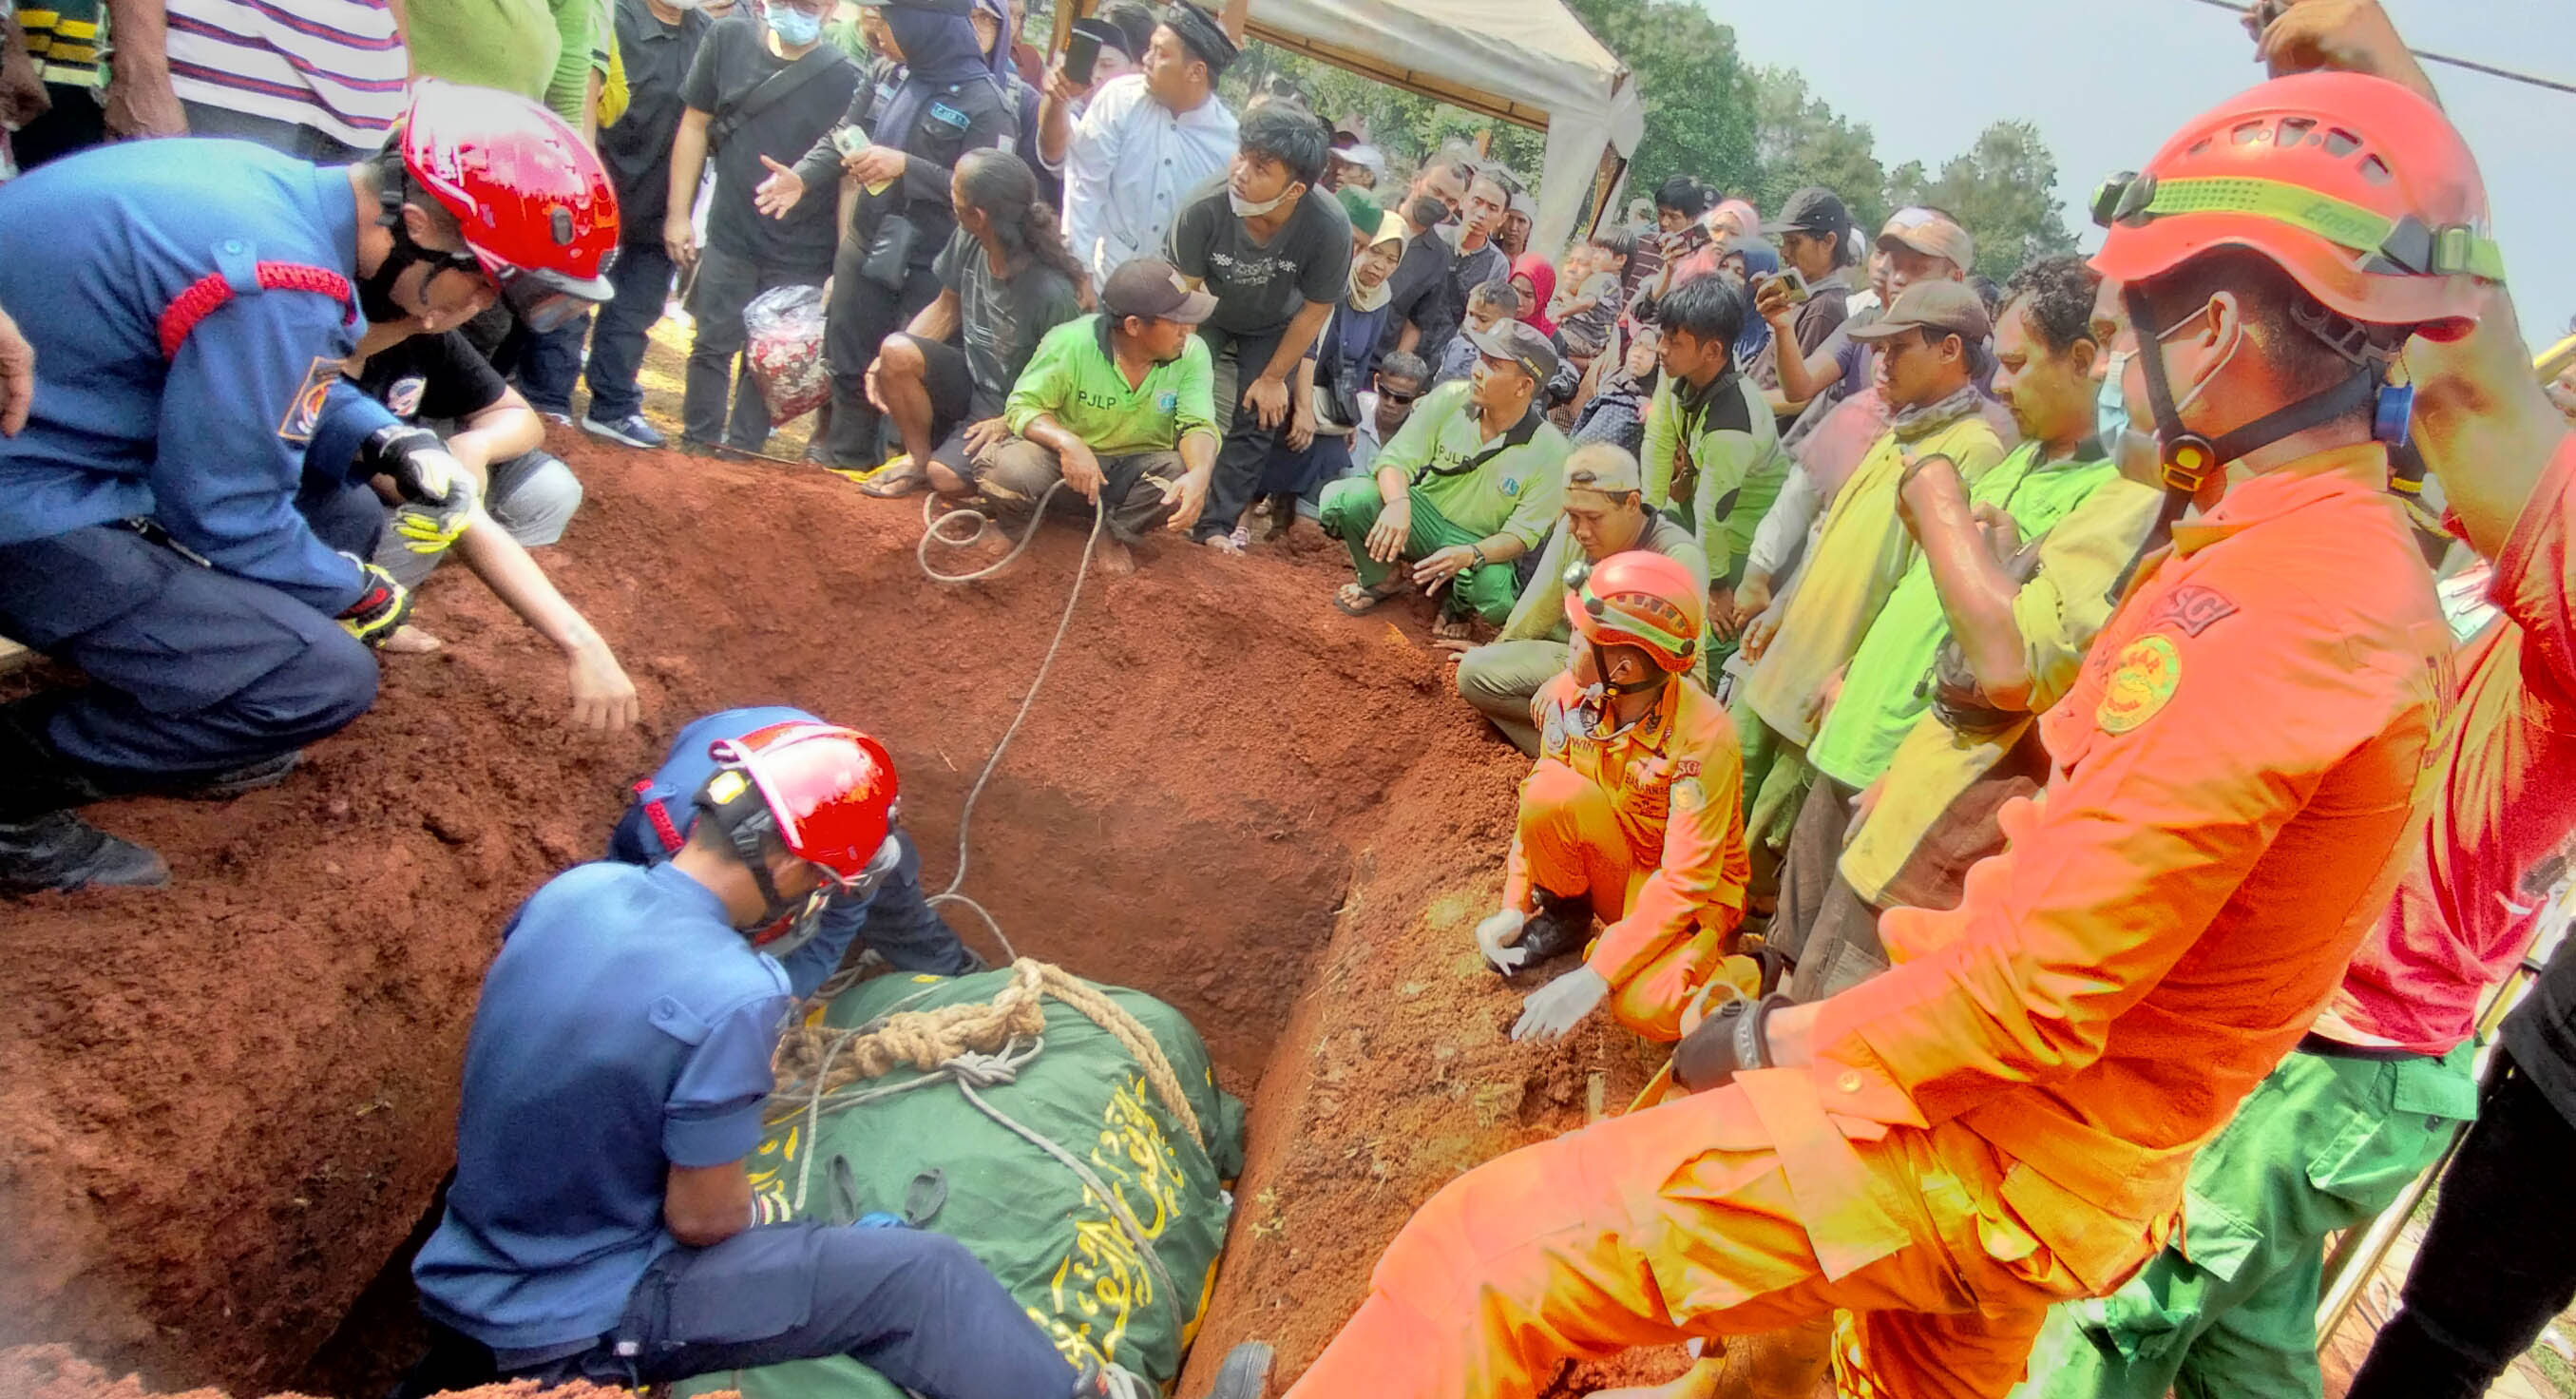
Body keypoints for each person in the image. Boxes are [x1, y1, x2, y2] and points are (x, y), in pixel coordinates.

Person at [1269, 68, 2480, 1399]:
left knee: (1484, 1257)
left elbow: (2031, 990)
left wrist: (1781, 1042)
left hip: (1983, 1150)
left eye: (2123, 326)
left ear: (2201, 333)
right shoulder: (2327, 578)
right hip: (2042, 1162)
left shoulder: (2278, 610)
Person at [0, 81, 619, 894]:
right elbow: (225, 511)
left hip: (58, 443)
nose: (476, 310)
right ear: (422, 224)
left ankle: (181, 687)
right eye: (485, 283)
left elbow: (261, 385)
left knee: (347, 508)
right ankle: (12, 795)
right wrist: (364, 598)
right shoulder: (285, 277)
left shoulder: (279, 194)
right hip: (30, 494)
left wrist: (381, 437)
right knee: (321, 678)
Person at [400, 720, 1129, 1399]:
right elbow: (702, 1223)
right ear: (783, 862)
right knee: (916, 1277)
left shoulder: (577, 890)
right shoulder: (740, 992)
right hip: (581, 1311)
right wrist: (773, 1219)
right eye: (819, 880)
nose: (815, 898)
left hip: (468, 1265)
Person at [1776, 256, 2157, 1002]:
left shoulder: (2116, 497)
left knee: (1831, 985)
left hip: (1902, 767)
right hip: (1858, 724)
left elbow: (2017, 666)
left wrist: (1903, 768)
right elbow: (1925, 589)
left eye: (2015, 362)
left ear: (2084, 360)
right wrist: (1853, 667)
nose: (2001, 382)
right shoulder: (2019, 459)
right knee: (1793, 946)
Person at [1731, 279, 2006, 899]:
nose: (1879, 364)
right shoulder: (1898, 431)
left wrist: (1849, 673)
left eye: (1897, 348)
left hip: (1823, 698)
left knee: (1760, 860)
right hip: (1783, 665)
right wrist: (1781, 607)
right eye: (1876, 350)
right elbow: (1831, 537)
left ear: (1950, 351)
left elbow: (1928, 598)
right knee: (1719, 813)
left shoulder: (1972, 450)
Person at [1475, 549, 1747, 1044]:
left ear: (1621, 667)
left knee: (1647, 1007)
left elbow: (1686, 880)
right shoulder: (1572, 694)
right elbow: (1540, 799)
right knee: (1549, 790)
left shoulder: (1704, 740)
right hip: (1623, 863)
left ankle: (1750, 972)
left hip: (1685, 892)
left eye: (1579, 634)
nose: (1568, 639)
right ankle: (1566, 917)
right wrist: (1514, 904)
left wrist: (1597, 974)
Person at [335, 315, 643, 734]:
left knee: (546, 488)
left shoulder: (424, 334)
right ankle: (364, 604)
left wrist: (475, 445)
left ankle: (408, 587)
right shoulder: (324, 364)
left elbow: (518, 415)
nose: (484, 302)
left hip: (412, 482)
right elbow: (447, 509)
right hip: (338, 518)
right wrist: (581, 642)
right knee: (401, 521)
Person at [761, 0, 1011, 471]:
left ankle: (899, 481)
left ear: (922, 26)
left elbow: (993, 196)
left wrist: (908, 167)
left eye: (890, 22)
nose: (879, 32)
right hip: (866, 247)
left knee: (907, 380)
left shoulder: (986, 104)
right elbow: (845, 134)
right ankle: (842, 468)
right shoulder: (887, 75)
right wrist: (801, 177)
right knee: (849, 370)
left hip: (930, 268)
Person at [608, 707, 982, 976]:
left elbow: (838, 922)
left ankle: (952, 972)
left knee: (888, 894)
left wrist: (784, 1000)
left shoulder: (850, 832)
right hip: (743, 738)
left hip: (796, 747)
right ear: (791, 864)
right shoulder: (653, 836)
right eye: (820, 879)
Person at [662, 0, 861, 456]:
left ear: (830, 9)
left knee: (769, 357)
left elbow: (850, 175)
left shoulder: (847, 78)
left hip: (804, 247)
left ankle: (741, 458)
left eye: (810, 6)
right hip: (731, 231)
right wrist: (678, 214)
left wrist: (842, 260)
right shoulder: (726, 40)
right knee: (712, 342)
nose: (797, 11)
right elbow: (694, 125)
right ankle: (696, 450)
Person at [1165, 101, 1351, 554]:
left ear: (1294, 191)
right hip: (1206, 309)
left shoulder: (1329, 229)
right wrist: (1177, 362)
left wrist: (1273, 378)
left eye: (1260, 166)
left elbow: (1315, 309)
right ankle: (1166, 502)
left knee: (1258, 416)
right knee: (1178, 397)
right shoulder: (1204, 207)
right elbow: (1181, 295)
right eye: (1241, 155)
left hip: (1275, 323)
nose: (1241, 172)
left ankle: (1215, 527)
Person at [964, 258, 1219, 576]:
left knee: (1182, 470)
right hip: (1063, 470)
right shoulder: (1070, 343)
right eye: (1177, 320)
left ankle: (1114, 534)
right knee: (1009, 467)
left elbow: (1197, 424)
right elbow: (1022, 406)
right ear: (1134, 326)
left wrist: (1200, 474)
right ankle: (1015, 527)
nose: (1188, 329)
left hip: (1132, 477)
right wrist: (1067, 443)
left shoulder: (1192, 353)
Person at [1448, 445, 1709, 754]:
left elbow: (1675, 667)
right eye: (1572, 516)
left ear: (1631, 503)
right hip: (1582, 659)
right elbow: (1538, 606)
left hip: (1651, 687)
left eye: (1593, 518)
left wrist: (1572, 681)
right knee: (1475, 674)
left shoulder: (1677, 556)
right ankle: (1573, 751)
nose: (1580, 530)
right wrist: (1501, 651)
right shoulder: (1575, 532)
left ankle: (1602, 760)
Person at [1317, 318, 1568, 634]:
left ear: (1524, 386)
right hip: (1423, 517)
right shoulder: (1451, 396)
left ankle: (1456, 608)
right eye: (1480, 357)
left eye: (1493, 364)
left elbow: (1520, 538)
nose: (1477, 368)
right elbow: (1394, 461)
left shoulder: (1553, 451)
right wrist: (1397, 503)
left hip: (1477, 542)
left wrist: (1471, 553)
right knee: (1349, 500)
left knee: (1495, 595)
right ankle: (1381, 578)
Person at [863, 147, 1085, 499]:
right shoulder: (970, 239)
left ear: (978, 215)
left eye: (955, 193)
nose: (949, 196)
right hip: (973, 380)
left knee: (947, 479)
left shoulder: (1049, 292)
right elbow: (945, 308)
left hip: (1018, 406)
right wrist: (886, 365)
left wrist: (1007, 422)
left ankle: (990, 477)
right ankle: (916, 460)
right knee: (895, 350)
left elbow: (1070, 386)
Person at [580, 0, 715, 450]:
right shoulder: (610, 18)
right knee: (570, 301)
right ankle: (547, 399)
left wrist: (682, 213)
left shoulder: (708, 35)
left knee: (636, 310)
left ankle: (613, 408)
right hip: (597, 186)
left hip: (664, 203)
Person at [1636, 275, 1787, 635]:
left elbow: (1714, 514)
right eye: (1662, 336)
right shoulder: (1677, 370)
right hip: (1700, 514)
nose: (1661, 349)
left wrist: (1716, 585)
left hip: (1743, 539)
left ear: (1713, 351)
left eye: (1674, 342)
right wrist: (1646, 519)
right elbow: (1658, 440)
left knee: (1704, 629)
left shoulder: (1732, 426)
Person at [1052, 0, 1238, 285]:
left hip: (1168, 296)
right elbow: (1085, 188)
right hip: (1101, 275)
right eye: (1150, 47)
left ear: (1196, 72)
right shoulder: (1120, 98)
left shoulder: (1230, 145)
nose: (1146, 59)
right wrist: (1080, 273)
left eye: (1160, 53)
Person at [1250, 209, 1405, 536]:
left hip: (1329, 398)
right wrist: (1304, 408)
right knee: (1293, 435)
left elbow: (1360, 365)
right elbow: (1306, 349)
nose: (1380, 265)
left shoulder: (1381, 302)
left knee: (1334, 452)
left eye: (1392, 260)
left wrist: (1349, 419)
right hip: (1291, 380)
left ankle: (1288, 521)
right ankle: (1245, 512)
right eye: (1376, 251)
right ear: (1359, 247)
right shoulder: (1332, 280)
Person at [1752, 187, 1858, 427]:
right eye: (1783, 242)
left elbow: (1799, 398)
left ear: (1829, 241)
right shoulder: (1803, 298)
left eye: (1794, 242)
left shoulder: (1824, 307)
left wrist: (1737, 399)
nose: (1784, 252)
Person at [1378, 191, 1456, 360]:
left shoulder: (1438, 256)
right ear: (1417, 180)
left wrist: (1393, 367)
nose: (1440, 202)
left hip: (1375, 360)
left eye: (1451, 201)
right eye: (1436, 191)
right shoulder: (1376, 212)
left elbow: (1416, 323)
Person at [1569, 325, 1659, 458]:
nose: (1639, 354)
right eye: (1636, 345)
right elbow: (1582, 418)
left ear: (1659, 359)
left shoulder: (1657, 401)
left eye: (1649, 349)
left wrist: (1653, 407)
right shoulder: (1612, 381)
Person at [1348, 350, 1429, 477]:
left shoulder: (1423, 440)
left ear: (1418, 399)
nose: (1390, 403)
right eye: (1385, 392)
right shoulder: (1352, 410)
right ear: (1376, 381)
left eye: (1401, 399)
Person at [1552, 233, 1629, 367]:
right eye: (1569, 261)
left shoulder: (1601, 280)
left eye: (1583, 264)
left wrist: (1560, 314)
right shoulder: (1554, 299)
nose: (1572, 269)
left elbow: (1587, 302)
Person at [1433, 280, 1521, 387]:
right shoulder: (1456, 345)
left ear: (1506, 324)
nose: (1472, 324)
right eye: (1470, 314)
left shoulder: (1507, 366)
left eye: (1483, 320)